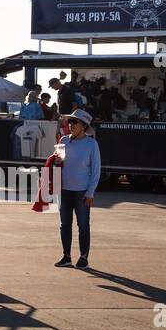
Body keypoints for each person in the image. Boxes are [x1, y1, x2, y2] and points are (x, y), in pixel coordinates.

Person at [53, 108, 100, 269]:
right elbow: (58, 164)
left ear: (84, 126)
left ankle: (83, 257)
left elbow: (96, 170)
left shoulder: (91, 144)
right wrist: (57, 162)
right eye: (69, 121)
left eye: (74, 122)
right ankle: (66, 256)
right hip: (65, 190)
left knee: (83, 225)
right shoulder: (64, 140)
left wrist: (90, 191)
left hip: (82, 191)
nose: (70, 124)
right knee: (64, 224)